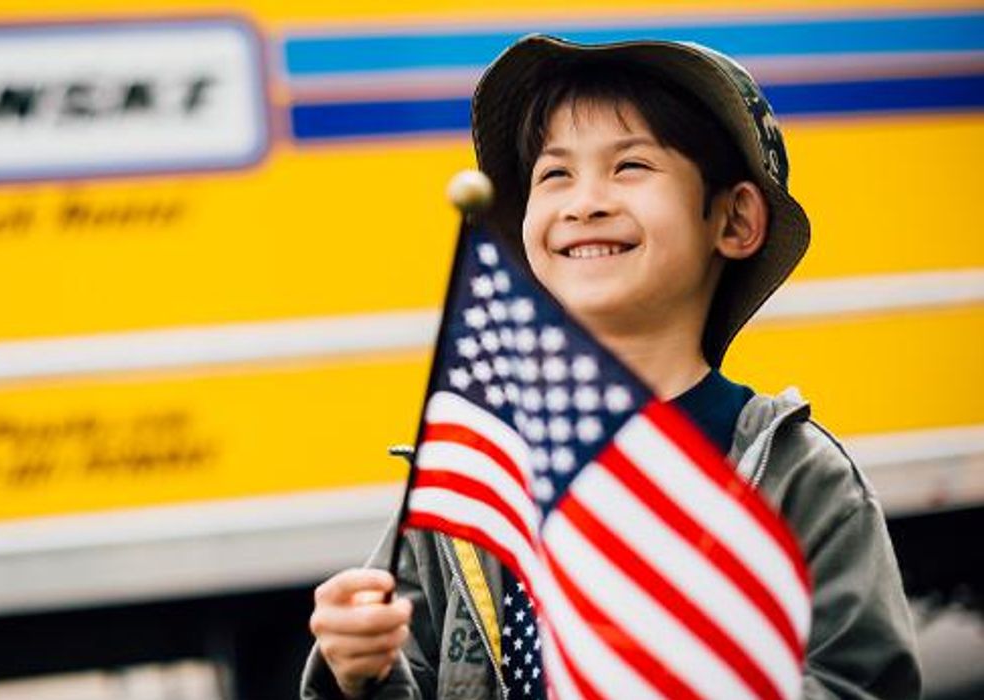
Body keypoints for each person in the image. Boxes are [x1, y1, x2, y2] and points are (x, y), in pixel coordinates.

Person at [301, 36, 920, 700]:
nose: (583, 202)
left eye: (629, 166)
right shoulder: (474, 472)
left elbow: (861, 682)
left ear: (733, 219)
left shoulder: (797, 474)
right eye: (554, 174)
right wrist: (360, 669)